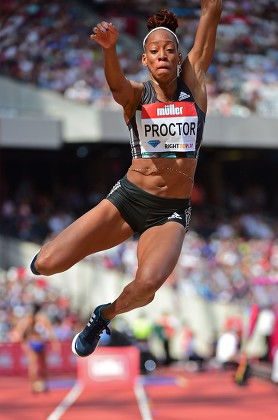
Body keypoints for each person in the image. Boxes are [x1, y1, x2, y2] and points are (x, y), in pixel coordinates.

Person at [30, 1, 222, 358]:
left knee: (147, 286)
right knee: (45, 264)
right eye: (154, 51)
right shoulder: (137, 95)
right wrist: (110, 49)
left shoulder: (193, 89)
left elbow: (211, 13)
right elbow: (116, 84)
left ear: (180, 59)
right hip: (128, 199)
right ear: (145, 61)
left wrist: (210, 9)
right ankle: (75, 252)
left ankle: (103, 315)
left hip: (170, 212)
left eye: (170, 50)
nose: (162, 55)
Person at [15, 303, 59, 392]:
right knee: (41, 365)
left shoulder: (29, 318)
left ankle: (34, 386)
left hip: (34, 342)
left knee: (34, 365)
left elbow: (20, 330)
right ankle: (43, 384)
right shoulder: (42, 318)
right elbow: (50, 332)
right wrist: (55, 343)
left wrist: (23, 343)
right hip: (39, 342)